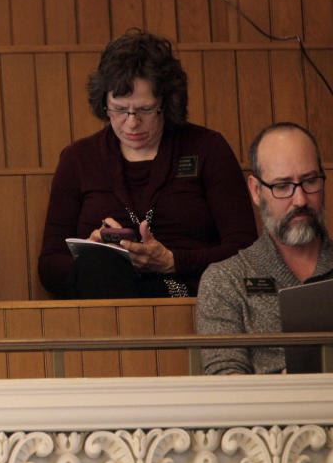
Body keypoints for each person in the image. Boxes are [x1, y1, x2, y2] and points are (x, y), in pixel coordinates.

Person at [38, 29, 257, 299]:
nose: (131, 122)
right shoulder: (78, 158)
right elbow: (49, 265)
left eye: (144, 109)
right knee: (99, 266)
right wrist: (86, 251)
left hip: (186, 296)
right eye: (119, 109)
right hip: (102, 294)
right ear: (103, 103)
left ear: (166, 102)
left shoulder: (207, 149)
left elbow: (245, 250)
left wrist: (173, 261)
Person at [197, 123, 332, 374]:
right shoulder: (225, 280)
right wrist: (279, 386)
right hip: (269, 411)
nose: (300, 199)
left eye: (310, 181)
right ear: (256, 191)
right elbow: (225, 382)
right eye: (282, 186)